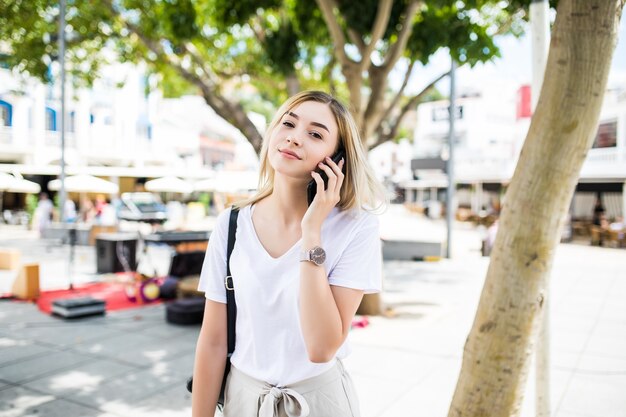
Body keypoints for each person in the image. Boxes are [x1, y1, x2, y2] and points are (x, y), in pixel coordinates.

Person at [193, 91, 386, 417]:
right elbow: (213, 341)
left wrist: (312, 232)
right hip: (243, 399)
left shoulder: (357, 227)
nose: (295, 138)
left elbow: (322, 347)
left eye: (315, 134)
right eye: (289, 124)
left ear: (336, 159)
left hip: (319, 402)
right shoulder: (232, 224)